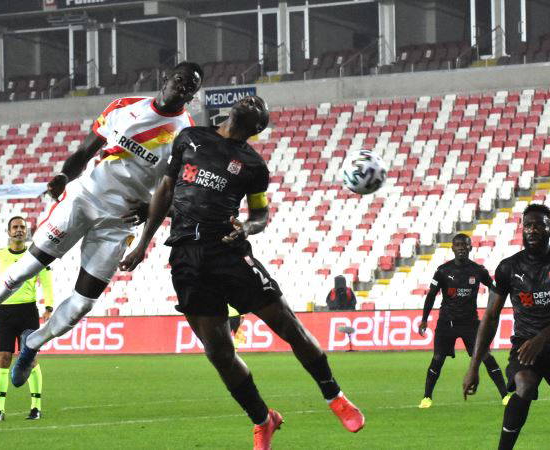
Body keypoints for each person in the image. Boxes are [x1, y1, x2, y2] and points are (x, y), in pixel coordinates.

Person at [118, 95, 365, 450]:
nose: (252, 101)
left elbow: (260, 214)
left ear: (257, 127)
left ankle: (334, 396)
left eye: (259, 106)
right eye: (250, 99)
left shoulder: (253, 165)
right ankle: (263, 420)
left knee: (289, 326)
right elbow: (168, 189)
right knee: (218, 353)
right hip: (186, 257)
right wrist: (143, 244)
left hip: (229, 253)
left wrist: (247, 228)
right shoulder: (190, 138)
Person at [0, 62, 203, 389]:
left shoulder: (186, 136)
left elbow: (177, 194)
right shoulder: (123, 107)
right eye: (180, 80)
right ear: (166, 78)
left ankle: (33, 343)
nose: (183, 88)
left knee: (82, 304)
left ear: (193, 96)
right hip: (83, 199)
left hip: (119, 222)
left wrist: (145, 234)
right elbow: (85, 151)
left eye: (190, 87)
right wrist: (63, 176)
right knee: (28, 267)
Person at [462, 203, 550, 449]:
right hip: (524, 347)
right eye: (528, 225)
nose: (532, 230)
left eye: (539, 225)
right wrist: (474, 367)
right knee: (524, 384)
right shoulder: (508, 267)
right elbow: (490, 317)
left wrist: (541, 339)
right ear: (522, 230)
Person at [417, 233, 507, 409]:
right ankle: (427, 397)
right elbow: (431, 295)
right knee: (437, 359)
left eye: (464, 245)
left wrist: (493, 309)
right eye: (457, 245)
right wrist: (424, 319)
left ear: (470, 248)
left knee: (486, 356)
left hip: (470, 323)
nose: (461, 248)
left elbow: (494, 288)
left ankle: (505, 396)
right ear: (452, 248)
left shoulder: (478, 270)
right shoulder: (443, 271)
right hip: (446, 323)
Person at [0, 216, 54, 421]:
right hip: (2, 312)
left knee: (30, 359)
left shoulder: (36, 254)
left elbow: (46, 280)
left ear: (27, 232)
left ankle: (36, 407)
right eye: (15, 227)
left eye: (22, 227)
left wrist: (49, 306)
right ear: (8, 232)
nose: (19, 230)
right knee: (3, 358)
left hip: (27, 312)